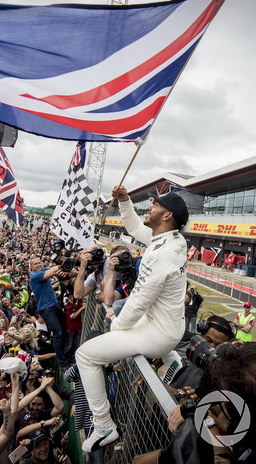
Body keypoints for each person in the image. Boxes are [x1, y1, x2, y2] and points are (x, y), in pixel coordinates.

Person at [75, 185, 189, 452]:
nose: (150, 206)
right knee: (118, 323)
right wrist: (125, 202)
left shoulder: (162, 253)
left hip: (157, 333)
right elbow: (137, 229)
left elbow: (139, 300)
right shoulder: (171, 238)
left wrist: (115, 325)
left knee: (85, 355)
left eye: (156, 204)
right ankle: (172, 357)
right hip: (166, 325)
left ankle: (104, 426)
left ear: (167, 215)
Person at [28, 255, 69, 370]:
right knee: (58, 332)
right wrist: (59, 267)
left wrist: (63, 263)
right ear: (31, 267)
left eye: (39, 262)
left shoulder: (43, 270)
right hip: (46, 308)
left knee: (63, 328)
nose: (38, 265)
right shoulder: (34, 275)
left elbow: (54, 269)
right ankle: (62, 363)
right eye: (35, 264)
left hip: (54, 305)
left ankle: (65, 353)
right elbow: (52, 273)